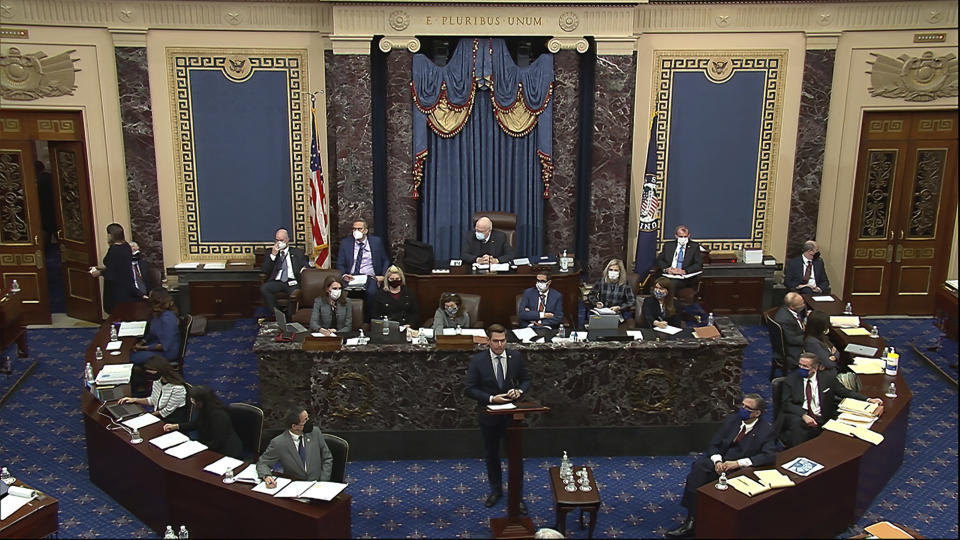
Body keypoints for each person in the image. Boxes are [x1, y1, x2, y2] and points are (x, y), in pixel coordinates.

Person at [665, 393, 777, 538]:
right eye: (742, 405)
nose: (742, 409)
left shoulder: (766, 430)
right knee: (699, 469)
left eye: (747, 408)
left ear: (757, 413)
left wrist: (737, 463)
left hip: (741, 466)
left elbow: (769, 455)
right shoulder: (732, 420)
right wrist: (717, 461)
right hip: (721, 461)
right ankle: (692, 519)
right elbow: (714, 444)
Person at [464, 324, 532, 513]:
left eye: (503, 341)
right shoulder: (478, 361)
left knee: (515, 457)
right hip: (489, 416)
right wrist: (492, 398)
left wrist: (519, 390)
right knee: (491, 455)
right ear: (488, 341)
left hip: (512, 416)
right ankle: (496, 491)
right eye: (496, 341)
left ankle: (517, 496)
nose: (500, 345)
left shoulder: (515, 357)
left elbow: (526, 380)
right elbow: (469, 389)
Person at [779, 353, 884, 448]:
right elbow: (786, 403)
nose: (801, 368)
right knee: (797, 428)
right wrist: (803, 415)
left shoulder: (827, 378)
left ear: (815, 368)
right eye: (800, 365)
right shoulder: (791, 379)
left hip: (823, 416)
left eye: (805, 366)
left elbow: (843, 391)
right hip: (801, 416)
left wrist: (868, 399)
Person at [256, 407, 333, 487]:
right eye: (305, 420)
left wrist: (323, 482)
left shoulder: (315, 433)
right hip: (294, 487)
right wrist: (267, 476)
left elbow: (327, 458)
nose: (309, 422)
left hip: (317, 485)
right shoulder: (279, 443)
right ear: (294, 426)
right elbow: (262, 463)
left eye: (308, 418)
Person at [162, 385, 243, 459]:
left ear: (202, 401)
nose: (192, 401)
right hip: (210, 445)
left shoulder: (219, 416)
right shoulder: (205, 409)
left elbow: (218, 442)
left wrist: (196, 445)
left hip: (226, 452)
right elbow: (196, 423)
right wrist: (176, 426)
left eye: (194, 400)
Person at [119, 355, 189, 424]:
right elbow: (153, 400)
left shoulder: (178, 388)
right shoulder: (157, 381)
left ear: (160, 370)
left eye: (151, 371)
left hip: (171, 420)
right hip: (158, 414)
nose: (149, 374)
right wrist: (134, 400)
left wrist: (148, 416)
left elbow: (167, 411)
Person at [91, 223, 142, 313]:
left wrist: (100, 272)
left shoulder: (114, 249)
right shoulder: (126, 246)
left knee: (116, 312)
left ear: (111, 235)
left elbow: (113, 271)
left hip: (116, 287)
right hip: (126, 285)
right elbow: (118, 266)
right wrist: (100, 268)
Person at [335, 219, 391, 298]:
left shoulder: (376, 242)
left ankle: (370, 311)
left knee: (372, 293)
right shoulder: (345, 243)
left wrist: (383, 276)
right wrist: (344, 275)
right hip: (351, 277)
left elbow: (385, 260)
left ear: (366, 231)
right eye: (354, 229)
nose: (356, 231)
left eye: (359, 229)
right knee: (346, 294)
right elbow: (340, 264)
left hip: (370, 277)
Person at [260, 228, 308, 315]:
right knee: (264, 288)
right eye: (277, 240)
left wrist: (304, 268)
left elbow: (306, 264)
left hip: (292, 281)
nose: (279, 243)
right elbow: (265, 270)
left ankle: (289, 317)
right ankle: (277, 314)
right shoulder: (270, 252)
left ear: (287, 240)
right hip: (277, 281)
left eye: (281, 240)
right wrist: (273, 255)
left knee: (294, 294)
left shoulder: (297, 252)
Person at [130, 288, 180, 366]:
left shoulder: (168, 319)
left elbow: (164, 346)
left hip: (167, 352)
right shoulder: (156, 315)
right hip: (155, 345)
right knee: (130, 352)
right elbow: (152, 333)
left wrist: (142, 348)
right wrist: (141, 343)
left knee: (132, 357)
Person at [655, 225, 704, 293]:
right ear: (676, 236)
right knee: (660, 283)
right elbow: (659, 260)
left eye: (685, 236)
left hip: (683, 277)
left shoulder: (694, 246)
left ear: (689, 235)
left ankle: (670, 303)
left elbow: (698, 264)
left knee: (672, 284)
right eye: (681, 236)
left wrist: (684, 271)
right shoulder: (668, 245)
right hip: (668, 274)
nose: (683, 238)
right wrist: (666, 269)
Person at [587, 259, 636, 323]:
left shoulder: (625, 284)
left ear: (620, 272)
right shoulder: (601, 281)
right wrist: (596, 303)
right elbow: (591, 295)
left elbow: (631, 301)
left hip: (617, 313)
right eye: (611, 270)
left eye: (616, 270)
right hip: (602, 312)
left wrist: (619, 307)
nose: (613, 272)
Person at [774, 292, 807, 370]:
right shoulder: (784, 319)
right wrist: (809, 337)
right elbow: (792, 340)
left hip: (797, 336)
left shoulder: (788, 309)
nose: (804, 305)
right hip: (792, 349)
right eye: (801, 304)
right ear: (792, 307)